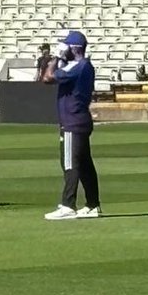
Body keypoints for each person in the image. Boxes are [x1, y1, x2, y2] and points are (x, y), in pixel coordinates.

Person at [40, 30, 102, 221]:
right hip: (80, 119)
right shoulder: (82, 66)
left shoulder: (79, 66)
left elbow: (47, 78)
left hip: (72, 121)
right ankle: (92, 204)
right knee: (84, 165)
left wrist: (56, 57)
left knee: (69, 163)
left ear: (74, 48)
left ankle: (68, 204)